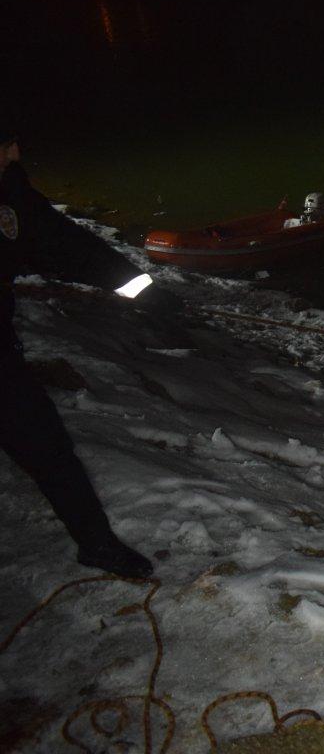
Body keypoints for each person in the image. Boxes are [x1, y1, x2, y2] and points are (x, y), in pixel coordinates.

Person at [1, 127, 180, 579]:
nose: (16, 151)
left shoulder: (11, 194)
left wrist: (146, 292)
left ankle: (97, 546)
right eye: (4, 145)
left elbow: (71, 248)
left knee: (49, 448)